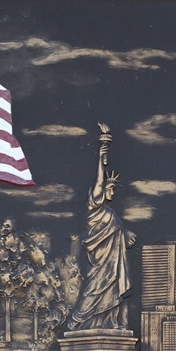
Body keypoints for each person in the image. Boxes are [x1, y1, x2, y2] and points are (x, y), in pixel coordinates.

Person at [68, 124, 136, 330]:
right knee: (95, 288)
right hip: (100, 261)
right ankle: (76, 321)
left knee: (111, 288)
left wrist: (125, 233)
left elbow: (116, 230)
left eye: (114, 190)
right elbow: (99, 180)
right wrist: (101, 154)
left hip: (112, 262)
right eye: (110, 189)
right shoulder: (95, 206)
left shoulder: (110, 213)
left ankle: (109, 321)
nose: (112, 193)